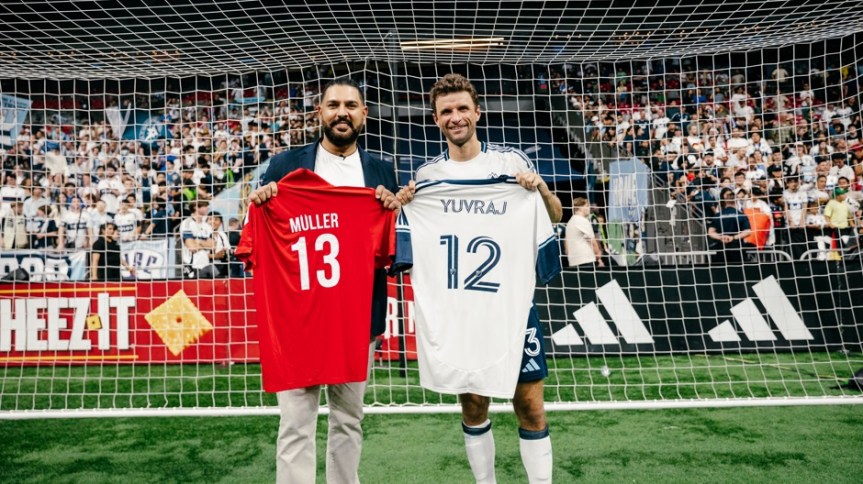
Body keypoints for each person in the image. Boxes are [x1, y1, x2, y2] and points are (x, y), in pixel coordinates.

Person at [396, 73, 562, 483]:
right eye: (446, 111)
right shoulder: (427, 177)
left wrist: (539, 189)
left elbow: (554, 215)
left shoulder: (511, 163)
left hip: (511, 307)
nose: (455, 118)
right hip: (461, 311)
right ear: (436, 120)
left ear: (477, 112)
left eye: (462, 109)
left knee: (530, 405)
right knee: (473, 403)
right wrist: (402, 206)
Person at [247, 77, 399, 484]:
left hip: (358, 318)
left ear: (364, 114)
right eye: (333, 105)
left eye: (351, 105)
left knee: (349, 419)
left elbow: (393, 251)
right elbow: (257, 231)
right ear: (320, 112)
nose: (342, 113)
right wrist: (257, 203)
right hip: (299, 319)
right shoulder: (284, 165)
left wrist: (393, 207)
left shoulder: (382, 172)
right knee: (296, 423)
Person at [707, 187, 754, 264]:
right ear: (736, 201)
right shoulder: (741, 215)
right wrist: (733, 237)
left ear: (725, 201)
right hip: (736, 248)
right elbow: (748, 231)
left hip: (721, 247)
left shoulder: (718, 215)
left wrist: (721, 237)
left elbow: (711, 232)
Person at [179, 199, 216, 278]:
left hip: (207, 264)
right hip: (193, 266)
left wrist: (198, 241)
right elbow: (192, 247)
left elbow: (213, 245)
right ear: (196, 207)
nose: (207, 208)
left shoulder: (207, 226)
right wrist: (205, 244)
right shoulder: (187, 223)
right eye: (204, 206)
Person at [565, 197, 605, 267]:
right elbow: (592, 241)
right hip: (586, 260)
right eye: (586, 206)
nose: (589, 208)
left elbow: (566, 244)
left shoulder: (569, 223)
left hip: (573, 262)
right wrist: (598, 256)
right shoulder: (582, 221)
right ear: (579, 208)